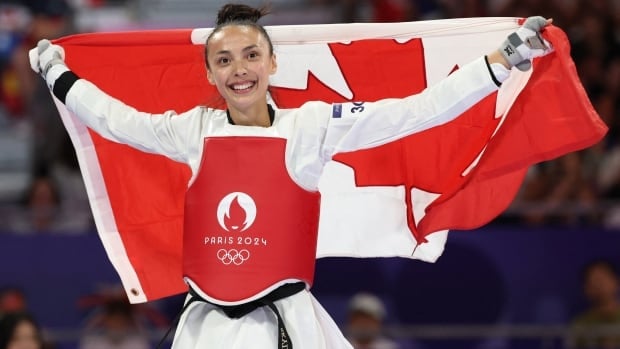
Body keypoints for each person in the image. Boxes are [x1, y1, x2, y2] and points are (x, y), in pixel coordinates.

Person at [28, 3, 552, 348]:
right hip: (206, 326)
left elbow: (416, 111)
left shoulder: (312, 126)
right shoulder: (193, 131)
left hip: (285, 323)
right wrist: (57, 72)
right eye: (225, 59)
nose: (240, 69)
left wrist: (501, 60)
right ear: (209, 73)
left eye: (251, 55)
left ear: (273, 62)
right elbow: (115, 120)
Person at [570, 260, 620, 349]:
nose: (599, 285)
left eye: (603, 279)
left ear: (616, 281)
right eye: (593, 281)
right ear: (586, 288)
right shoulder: (580, 324)